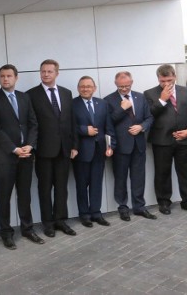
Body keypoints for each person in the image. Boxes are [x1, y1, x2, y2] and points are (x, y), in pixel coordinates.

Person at [0, 64, 42, 250]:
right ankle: (6, 233)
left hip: (26, 155)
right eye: (2, 76)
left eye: (9, 76)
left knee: (25, 195)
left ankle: (27, 229)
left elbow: (33, 124)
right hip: (6, 157)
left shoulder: (25, 97)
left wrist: (30, 146)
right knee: (5, 196)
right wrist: (14, 149)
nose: (5, 79)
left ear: (16, 78)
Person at [27, 59, 78, 238]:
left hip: (64, 149)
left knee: (62, 187)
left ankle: (60, 220)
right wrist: (31, 148)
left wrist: (74, 145)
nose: (46, 74)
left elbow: (71, 121)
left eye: (49, 71)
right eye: (43, 71)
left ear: (57, 73)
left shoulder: (66, 93)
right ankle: (48, 223)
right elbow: (30, 124)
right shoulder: (31, 95)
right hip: (43, 150)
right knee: (45, 188)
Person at [104, 71, 156, 221]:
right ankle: (123, 208)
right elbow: (108, 123)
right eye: (121, 87)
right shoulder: (108, 100)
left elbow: (149, 117)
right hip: (120, 146)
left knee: (138, 177)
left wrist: (141, 127)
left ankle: (139, 207)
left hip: (138, 145)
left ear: (132, 82)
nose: (124, 89)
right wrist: (122, 109)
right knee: (120, 178)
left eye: (127, 86)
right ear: (116, 84)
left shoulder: (140, 97)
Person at [72, 76, 115, 228]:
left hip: (100, 151)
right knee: (82, 185)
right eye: (82, 86)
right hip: (81, 151)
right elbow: (68, 128)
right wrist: (84, 130)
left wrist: (111, 146)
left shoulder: (102, 103)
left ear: (94, 88)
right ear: (78, 88)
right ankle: (84, 215)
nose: (85, 89)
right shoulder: (72, 104)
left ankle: (96, 213)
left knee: (97, 183)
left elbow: (108, 127)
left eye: (88, 86)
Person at [144, 64, 187, 214]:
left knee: (185, 171)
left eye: (169, 80)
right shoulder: (149, 93)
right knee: (162, 173)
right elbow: (149, 115)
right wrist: (162, 100)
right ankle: (164, 202)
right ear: (158, 79)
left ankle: (186, 201)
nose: (166, 84)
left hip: (184, 139)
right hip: (162, 141)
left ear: (175, 76)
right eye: (163, 81)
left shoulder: (185, 91)